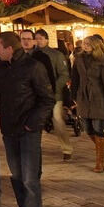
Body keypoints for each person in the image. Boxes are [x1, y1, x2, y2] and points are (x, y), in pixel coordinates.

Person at [0, 31, 54, 207]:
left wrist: (32, 123)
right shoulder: (2, 67)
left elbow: (47, 99)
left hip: (28, 130)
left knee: (30, 179)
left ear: (9, 48)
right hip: (9, 129)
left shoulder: (33, 66)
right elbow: (0, 94)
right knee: (17, 174)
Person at [71, 35, 104, 173]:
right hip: (83, 97)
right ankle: (102, 144)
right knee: (87, 128)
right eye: (84, 43)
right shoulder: (78, 59)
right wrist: (73, 97)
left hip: (98, 97)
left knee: (97, 127)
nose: (85, 45)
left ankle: (99, 162)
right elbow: (75, 78)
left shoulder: (102, 60)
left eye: (88, 44)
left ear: (95, 45)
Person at [34, 29, 72, 161]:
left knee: (58, 121)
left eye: (40, 38)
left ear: (46, 39)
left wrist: (54, 87)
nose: (38, 41)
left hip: (54, 94)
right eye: (36, 38)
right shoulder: (32, 54)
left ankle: (66, 148)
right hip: (37, 95)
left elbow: (64, 74)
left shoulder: (56, 55)